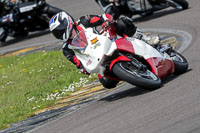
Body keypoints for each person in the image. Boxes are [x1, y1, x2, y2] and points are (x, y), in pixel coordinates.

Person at [49, 11, 160, 88]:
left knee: (121, 22)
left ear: (67, 22)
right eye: (56, 33)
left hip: (109, 41)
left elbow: (103, 17)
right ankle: (131, 73)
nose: (60, 33)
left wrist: (106, 22)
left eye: (60, 29)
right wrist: (83, 68)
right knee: (106, 82)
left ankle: (145, 39)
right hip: (99, 60)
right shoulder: (66, 49)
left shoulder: (83, 21)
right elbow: (77, 63)